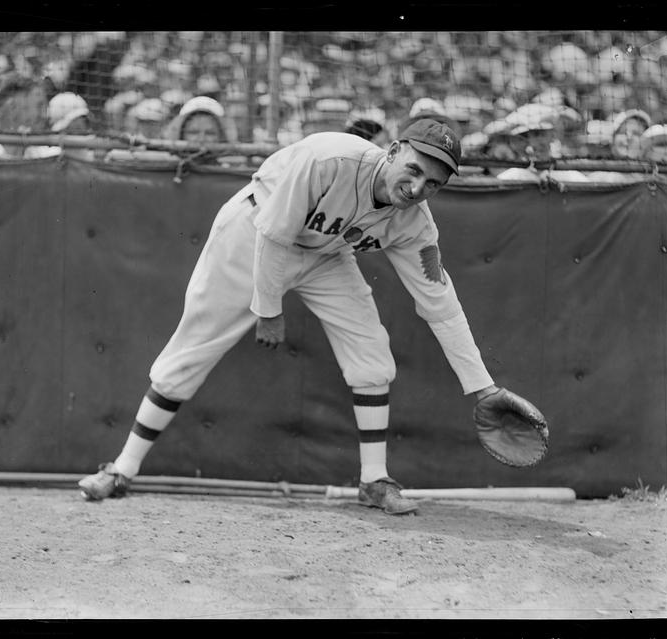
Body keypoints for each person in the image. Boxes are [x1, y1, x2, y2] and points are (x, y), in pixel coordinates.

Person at [78, 118, 537, 516]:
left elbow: (440, 301)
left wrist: (482, 386)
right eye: (414, 170)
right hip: (251, 235)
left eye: (432, 184)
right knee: (192, 349)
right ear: (393, 150)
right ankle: (122, 468)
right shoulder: (329, 158)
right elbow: (274, 236)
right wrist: (269, 310)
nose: (417, 188)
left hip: (325, 255)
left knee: (371, 352)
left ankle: (374, 481)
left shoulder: (414, 223)